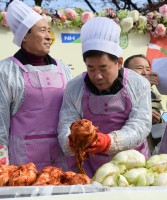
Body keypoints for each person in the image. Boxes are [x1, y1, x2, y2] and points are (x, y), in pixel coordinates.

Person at [57, 17, 152, 177]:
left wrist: (109, 141)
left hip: (133, 165)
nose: (97, 76)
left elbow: (140, 125)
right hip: (90, 168)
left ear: (119, 62)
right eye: (91, 68)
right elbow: (66, 124)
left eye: (103, 68)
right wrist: (72, 142)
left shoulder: (138, 84)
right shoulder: (74, 88)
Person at [0, 0, 72, 171]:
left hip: (62, 159)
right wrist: (0, 170)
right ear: (24, 36)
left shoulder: (63, 68)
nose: (49, 36)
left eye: (49, 30)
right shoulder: (3, 70)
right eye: (42, 31)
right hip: (22, 164)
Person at [123, 54, 164, 151]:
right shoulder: (120, 92)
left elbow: (158, 135)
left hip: (145, 150)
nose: (145, 73)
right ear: (126, 72)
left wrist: (157, 121)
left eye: (148, 69)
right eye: (139, 68)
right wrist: (141, 86)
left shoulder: (153, 95)